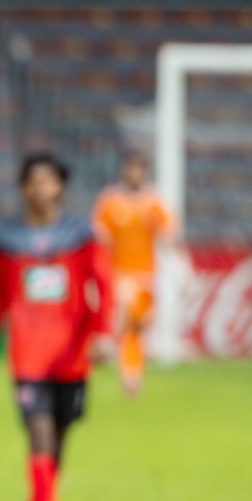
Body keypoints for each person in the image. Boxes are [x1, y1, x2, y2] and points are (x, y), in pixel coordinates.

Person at [0, 153, 113, 501]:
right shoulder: (8, 240)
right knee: (40, 439)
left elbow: (101, 286)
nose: (41, 188)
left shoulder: (80, 235)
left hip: (72, 358)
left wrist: (103, 336)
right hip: (29, 360)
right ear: (23, 188)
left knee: (57, 449)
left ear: (61, 186)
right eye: (33, 181)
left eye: (49, 180)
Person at [92, 149, 177, 396]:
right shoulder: (109, 202)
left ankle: (123, 362)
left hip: (146, 275)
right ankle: (129, 374)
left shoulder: (153, 202)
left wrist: (177, 263)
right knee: (129, 324)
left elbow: (168, 234)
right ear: (123, 171)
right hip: (118, 274)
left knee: (138, 326)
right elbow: (100, 238)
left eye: (139, 169)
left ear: (145, 173)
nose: (134, 173)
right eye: (130, 168)